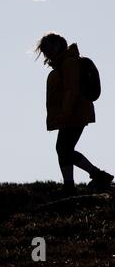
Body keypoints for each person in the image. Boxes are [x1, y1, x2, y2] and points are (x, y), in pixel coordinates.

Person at [35, 33, 113, 194]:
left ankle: (89, 178)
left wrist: (65, 114)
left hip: (74, 113)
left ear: (57, 45)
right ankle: (79, 182)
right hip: (72, 113)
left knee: (64, 148)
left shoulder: (69, 62)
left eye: (47, 47)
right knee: (64, 148)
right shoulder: (63, 63)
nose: (45, 52)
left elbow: (71, 90)